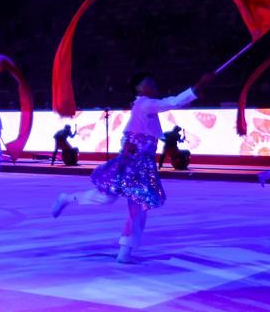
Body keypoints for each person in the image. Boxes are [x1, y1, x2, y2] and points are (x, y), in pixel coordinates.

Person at [51, 71, 214, 263]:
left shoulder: (146, 106)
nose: (154, 86)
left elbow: (175, 103)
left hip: (143, 163)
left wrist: (196, 91)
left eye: (154, 83)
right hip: (132, 161)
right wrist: (198, 85)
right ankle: (68, 198)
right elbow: (172, 102)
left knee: (137, 206)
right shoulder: (144, 103)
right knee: (108, 199)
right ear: (139, 89)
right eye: (149, 83)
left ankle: (125, 252)